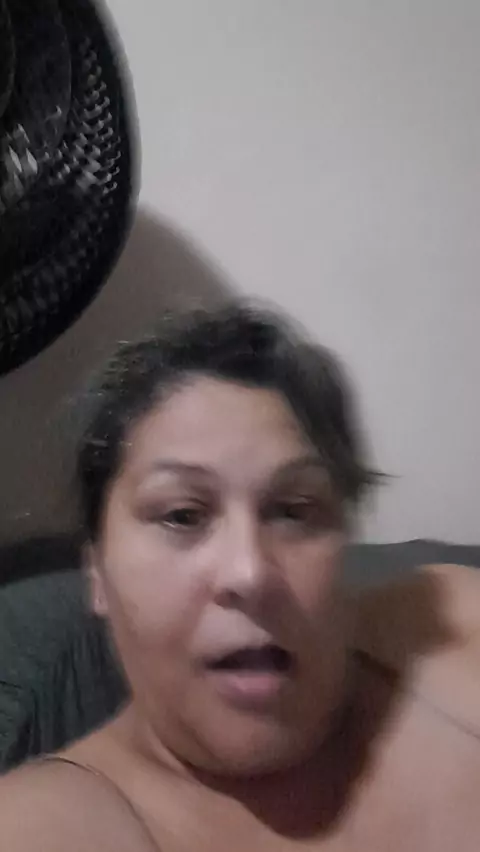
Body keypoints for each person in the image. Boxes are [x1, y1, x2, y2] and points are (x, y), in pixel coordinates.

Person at [1, 302, 479, 851]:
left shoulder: (452, 622)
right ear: (97, 573)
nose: (250, 573)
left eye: (293, 511)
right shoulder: (44, 824)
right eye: (182, 515)